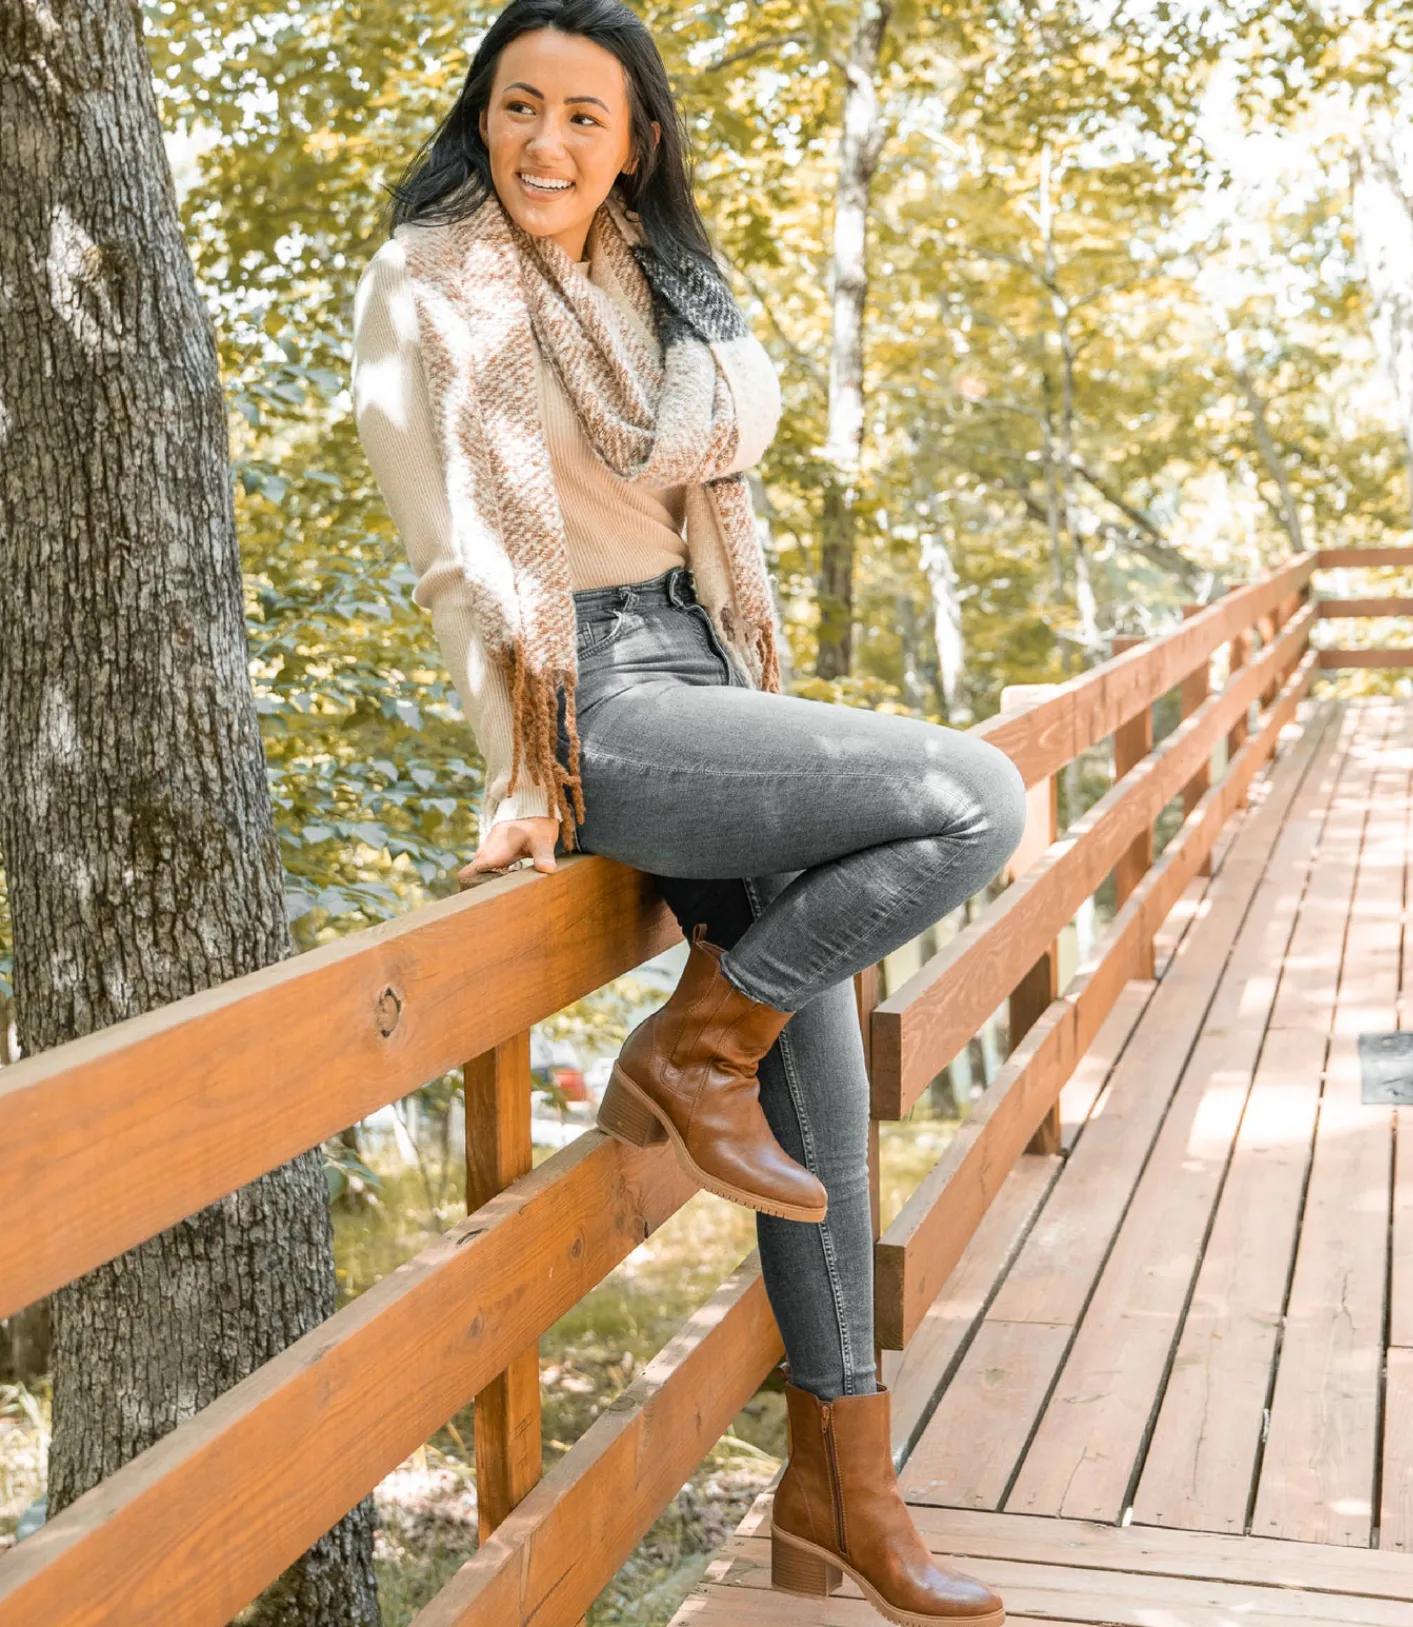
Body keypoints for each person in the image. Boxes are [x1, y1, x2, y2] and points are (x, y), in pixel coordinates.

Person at [350, 4, 1025, 1622]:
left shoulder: (670, 281)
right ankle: (697, 1045)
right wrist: (525, 759)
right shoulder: (424, 280)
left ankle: (840, 1494)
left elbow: (713, 477)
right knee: (976, 798)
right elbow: (450, 553)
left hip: (704, 657)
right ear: (483, 115)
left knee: (823, 1106)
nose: (546, 145)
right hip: (588, 695)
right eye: (521, 108)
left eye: (587, 116)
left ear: (636, 138)